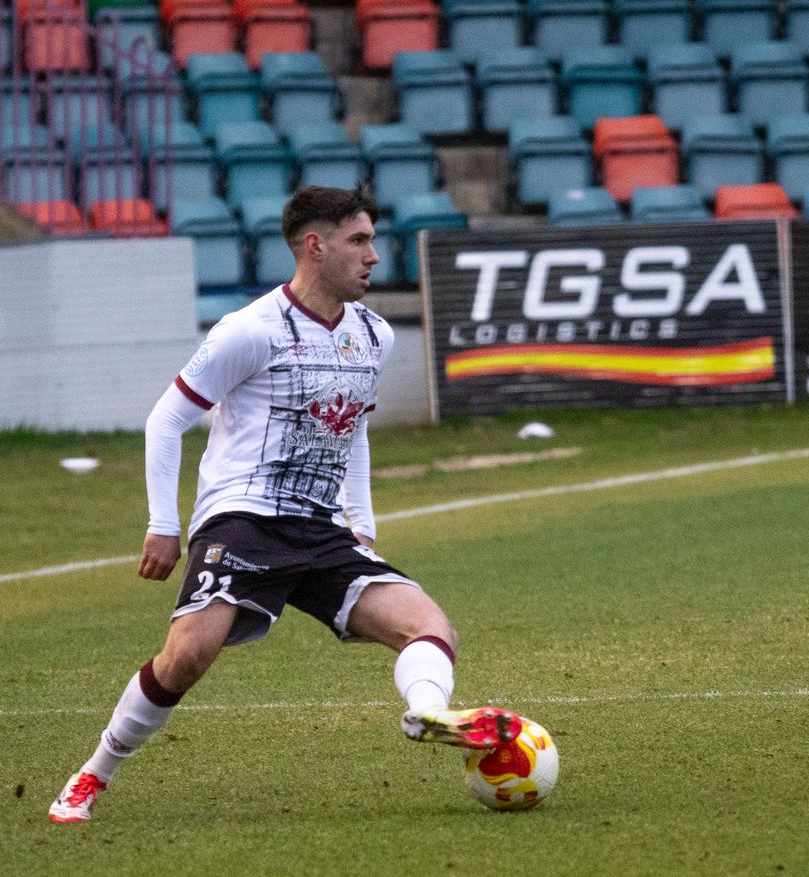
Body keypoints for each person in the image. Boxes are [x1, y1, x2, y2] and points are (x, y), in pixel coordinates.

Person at [49, 186, 520, 823]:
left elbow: (351, 434)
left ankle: (429, 711)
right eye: (359, 241)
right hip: (243, 517)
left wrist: (362, 525)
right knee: (188, 655)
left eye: (372, 240)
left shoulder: (374, 336)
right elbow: (166, 421)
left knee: (431, 626)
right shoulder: (249, 330)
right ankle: (91, 775)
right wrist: (164, 525)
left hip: (321, 528)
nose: (374, 256)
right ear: (314, 246)